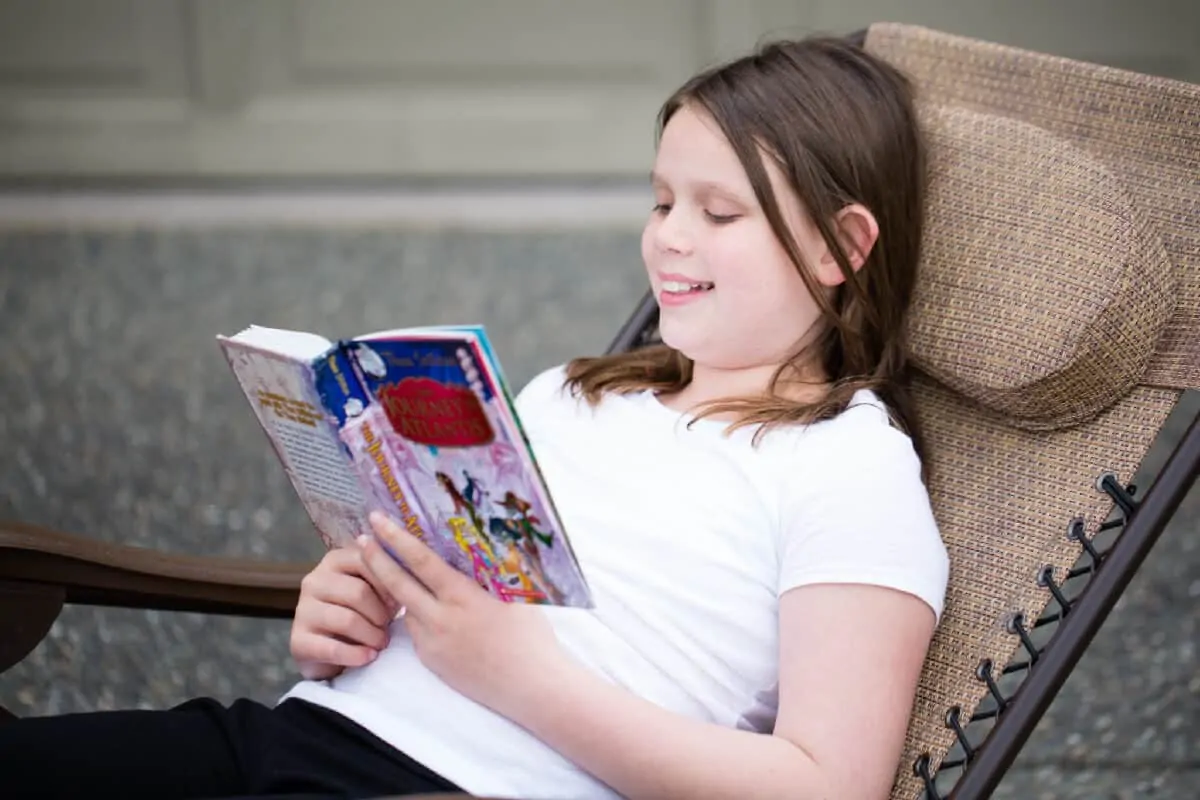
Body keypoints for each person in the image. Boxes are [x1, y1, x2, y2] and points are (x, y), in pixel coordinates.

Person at [3, 34, 949, 800]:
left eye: (719, 213)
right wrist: (351, 612)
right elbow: (460, 598)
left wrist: (515, 674)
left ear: (840, 245)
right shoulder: (572, 394)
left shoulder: (845, 468)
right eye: (662, 200)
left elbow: (828, 785)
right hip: (297, 736)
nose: (670, 235)